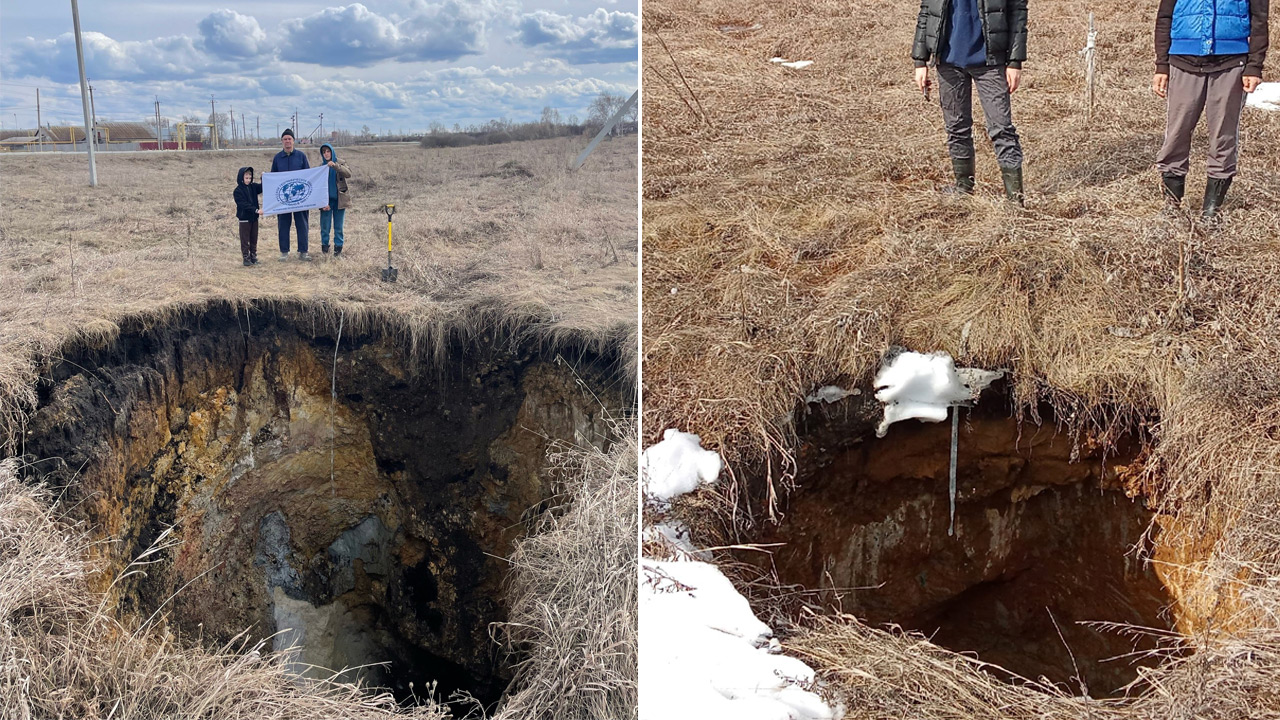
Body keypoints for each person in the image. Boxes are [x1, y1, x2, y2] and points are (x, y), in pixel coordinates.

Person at [1154, 0, 1269, 219]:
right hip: (1182, 60)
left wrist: (1254, 66)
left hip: (1231, 63)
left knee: (1223, 135)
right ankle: (1171, 205)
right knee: (1176, 133)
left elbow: (1260, 19)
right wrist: (1161, 65)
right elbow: (1164, 17)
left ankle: (1211, 212)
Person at [912, 0, 1028, 205]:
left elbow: (1018, 12)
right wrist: (920, 60)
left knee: (1002, 129)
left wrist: (1015, 62)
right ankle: (963, 189)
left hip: (991, 63)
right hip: (947, 62)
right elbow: (927, 11)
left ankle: (1015, 202)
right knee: (956, 128)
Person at [269, 128, 312, 261]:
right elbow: (273, 177)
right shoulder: (277, 158)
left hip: (300, 198)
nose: (287, 141)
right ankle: (284, 252)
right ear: (282, 141)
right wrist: (265, 178)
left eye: (289, 139)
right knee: (283, 225)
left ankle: (303, 251)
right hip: (284, 199)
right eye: (285, 139)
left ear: (293, 141)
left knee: (302, 224)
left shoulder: (301, 156)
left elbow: (309, 175)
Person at [316, 143, 352, 256]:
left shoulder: (340, 162)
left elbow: (348, 174)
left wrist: (336, 166)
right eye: (324, 152)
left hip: (339, 200)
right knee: (325, 227)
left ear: (332, 152)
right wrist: (321, 203)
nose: (326, 154)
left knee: (338, 226)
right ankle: (325, 248)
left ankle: (338, 249)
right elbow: (317, 186)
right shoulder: (321, 167)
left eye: (328, 151)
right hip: (326, 202)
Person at [232, 166, 263, 266]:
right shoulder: (237, 191)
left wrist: (263, 178)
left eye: (250, 178)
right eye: (246, 178)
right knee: (245, 239)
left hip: (254, 218)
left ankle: (253, 256)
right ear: (241, 177)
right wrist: (256, 210)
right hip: (244, 218)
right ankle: (246, 258)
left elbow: (263, 187)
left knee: (254, 238)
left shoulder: (253, 187)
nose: (248, 180)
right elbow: (243, 204)